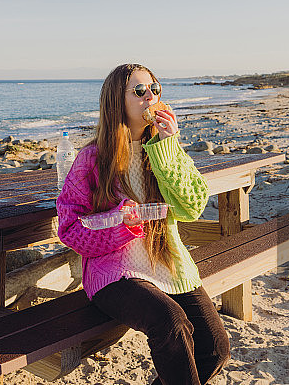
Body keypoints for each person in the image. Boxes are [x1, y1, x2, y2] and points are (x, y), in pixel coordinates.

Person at [56, 63, 230, 385]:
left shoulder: (164, 148)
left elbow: (191, 207)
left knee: (215, 349)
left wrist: (167, 147)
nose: (150, 96)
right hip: (114, 274)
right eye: (139, 91)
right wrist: (120, 223)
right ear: (116, 102)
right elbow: (69, 229)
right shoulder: (92, 159)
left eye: (155, 89)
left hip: (167, 263)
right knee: (171, 322)